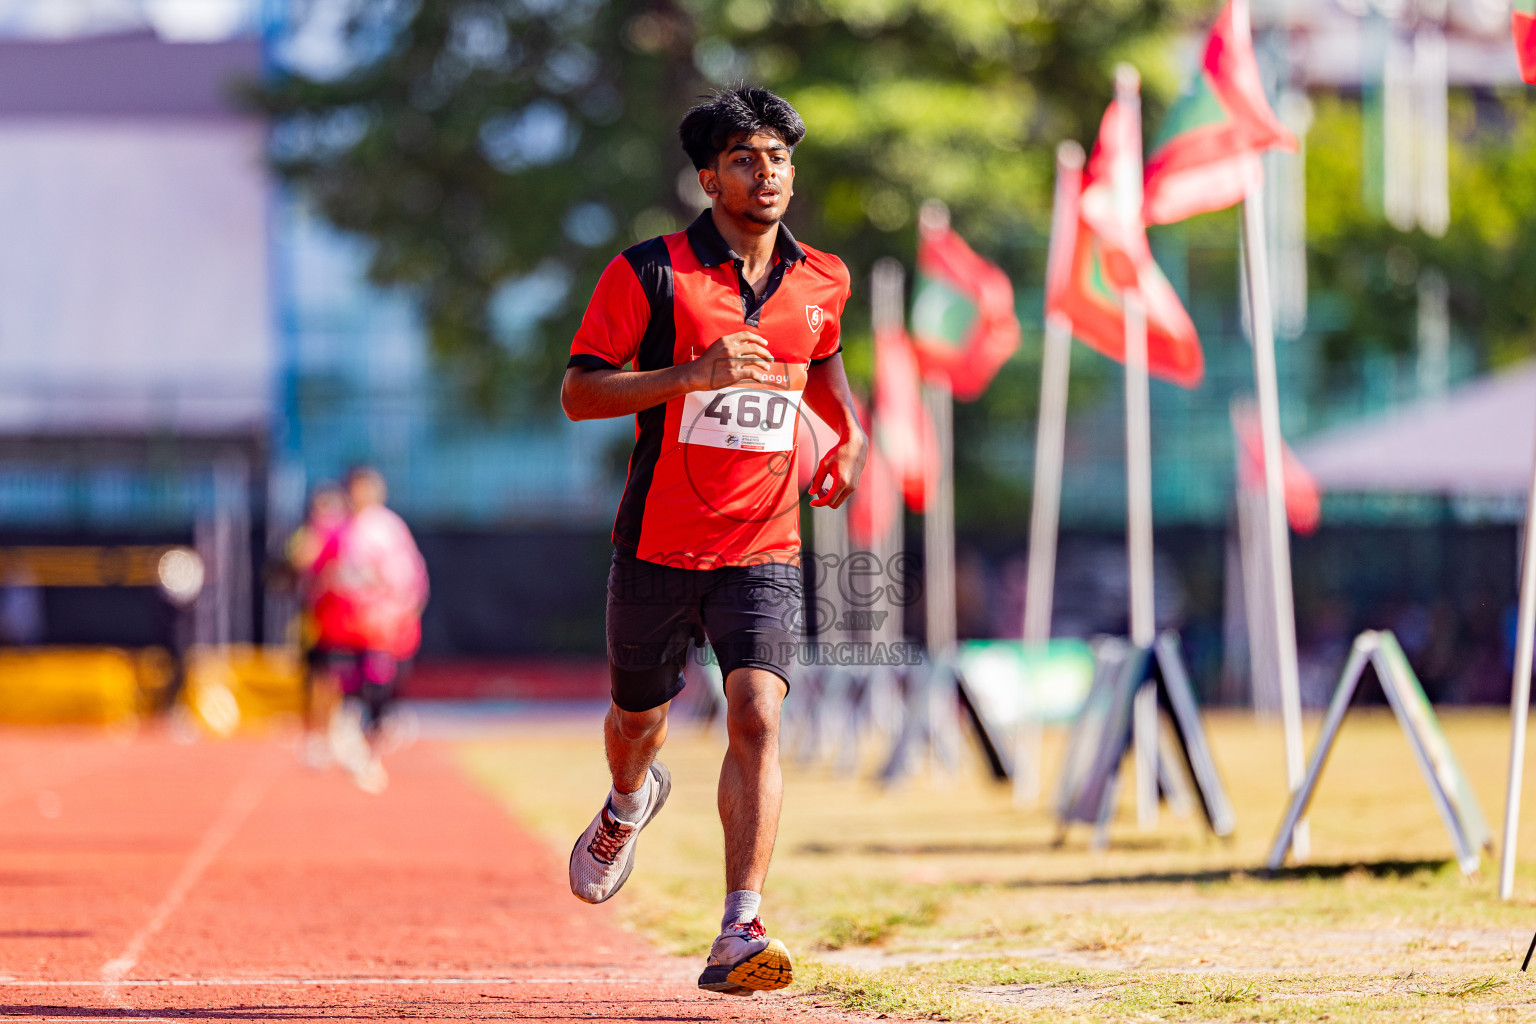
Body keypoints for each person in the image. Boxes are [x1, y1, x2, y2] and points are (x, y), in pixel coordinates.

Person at [560, 87, 867, 996]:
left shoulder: (824, 280)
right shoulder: (649, 273)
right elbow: (580, 393)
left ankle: (740, 927)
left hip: (765, 544)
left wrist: (847, 435)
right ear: (708, 177)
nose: (765, 173)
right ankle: (626, 802)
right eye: (744, 158)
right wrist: (692, 371)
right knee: (638, 725)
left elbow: (826, 364)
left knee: (758, 715)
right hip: (657, 543)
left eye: (776, 157)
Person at [311, 466, 429, 794]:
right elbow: (326, 571)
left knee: (380, 692)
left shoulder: (387, 528)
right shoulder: (341, 528)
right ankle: (351, 747)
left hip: (383, 625)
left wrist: (403, 610)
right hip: (350, 626)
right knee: (347, 688)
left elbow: (407, 575)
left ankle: (368, 745)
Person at [286, 482, 348, 768]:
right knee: (314, 678)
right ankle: (312, 734)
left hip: (342, 619)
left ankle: (330, 730)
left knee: (335, 678)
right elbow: (297, 562)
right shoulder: (308, 535)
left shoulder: (348, 536)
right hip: (314, 620)